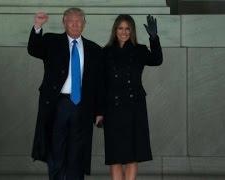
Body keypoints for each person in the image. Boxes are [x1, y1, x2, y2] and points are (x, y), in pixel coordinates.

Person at [27, 7, 104, 180]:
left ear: (84, 24)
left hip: (83, 106)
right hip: (58, 104)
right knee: (56, 149)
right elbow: (33, 49)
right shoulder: (51, 41)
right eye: (71, 20)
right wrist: (38, 26)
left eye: (79, 21)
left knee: (77, 152)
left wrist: (99, 111)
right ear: (64, 22)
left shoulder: (94, 49)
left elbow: (98, 84)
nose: (75, 24)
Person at [101, 14, 163, 180]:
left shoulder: (139, 50)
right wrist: (99, 112)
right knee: (115, 157)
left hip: (134, 107)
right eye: (120, 28)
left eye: (128, 28)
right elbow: (100, 85)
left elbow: (157, 60)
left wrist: (154, 38)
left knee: (132, 155)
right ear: (115, 30)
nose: (124, 32)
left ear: (132, 31)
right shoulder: (105, 52)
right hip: (112, 109)